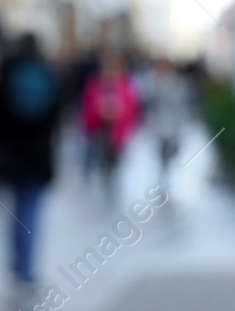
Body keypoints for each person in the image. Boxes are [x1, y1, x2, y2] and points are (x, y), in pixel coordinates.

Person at [0, 34, 60, 292]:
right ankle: (26, 268)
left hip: (11, 156)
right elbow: (57, 115)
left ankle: (16, 264)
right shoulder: (47, 73)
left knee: (14, 210)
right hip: (38, 154)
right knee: (32, 210)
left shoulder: (7, 73)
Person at [80, 52, 141, 200]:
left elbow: (133, 108)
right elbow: (87, 105)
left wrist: (122, 116)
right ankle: (105, 177)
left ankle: (112, 178)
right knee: (102, 155)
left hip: (119, 128)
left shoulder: (127, 85)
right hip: (101, 127)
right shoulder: (95, 84)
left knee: (116, 157)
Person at [146, 58, 193, 191]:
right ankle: (163, 174)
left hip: (172, 124)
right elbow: (151, 102)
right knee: (161, 152)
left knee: (169, 151)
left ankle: (166, 174)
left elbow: (182, 104)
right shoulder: (155, 81)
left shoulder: (178, 83)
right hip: (160, 124)